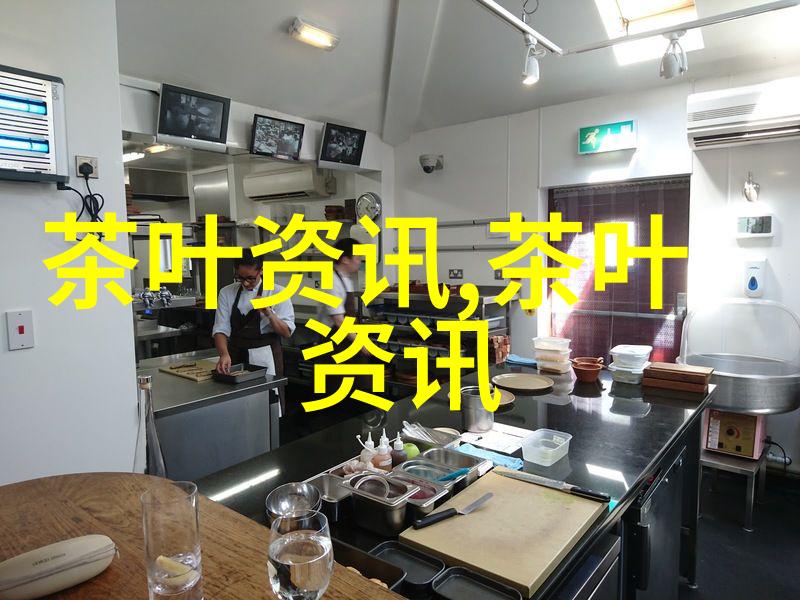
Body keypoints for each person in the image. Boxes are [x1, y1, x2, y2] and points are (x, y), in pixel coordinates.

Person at [212, 250, 295, 378]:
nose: (245, 283)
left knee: (267, 390)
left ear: (261, 270)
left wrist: (269, 313)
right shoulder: (226, 292)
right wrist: (223, 354)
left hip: (266, 357)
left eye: (250, 278)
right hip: (235, 355)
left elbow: (287, 332)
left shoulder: (277, 292)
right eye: (240, 278)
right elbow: (220, 329)